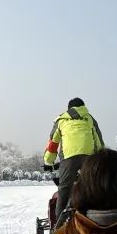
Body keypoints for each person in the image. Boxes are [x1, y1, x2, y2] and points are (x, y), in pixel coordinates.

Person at [43, 97, 104, 226]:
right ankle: (98, 220)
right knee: (92, 187)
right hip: (88, 158)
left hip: (69, 158)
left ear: (69, 108)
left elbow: (53, 143)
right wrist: (100, 158)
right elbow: (99, 142)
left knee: (64, 189)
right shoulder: (90, 119)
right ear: (83, 107)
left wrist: (48, 160)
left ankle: (58, 226)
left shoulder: (61, 120)